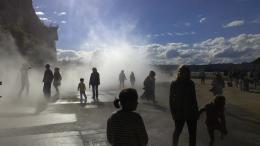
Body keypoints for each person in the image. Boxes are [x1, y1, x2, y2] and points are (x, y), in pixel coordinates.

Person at [169, 65, 198, 146]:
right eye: (181, 71)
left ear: (188, 73)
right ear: (179, 72)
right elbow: (171, 100)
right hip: (179, 113)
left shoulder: (191, 83)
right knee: (177, 132)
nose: (183, 73)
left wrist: (196, 112)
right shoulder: (174, 84)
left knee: (192, 135)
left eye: (185, 71)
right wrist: (173, 114)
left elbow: (194, 99)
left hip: (191, 113)